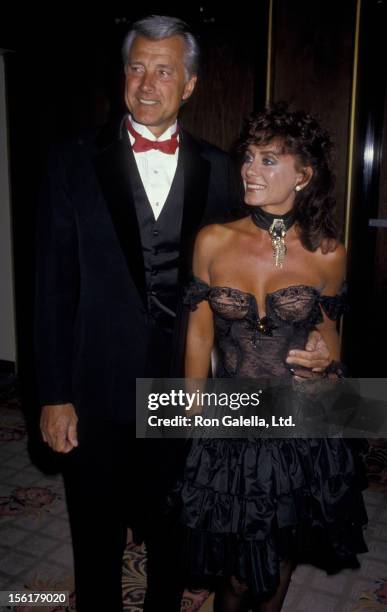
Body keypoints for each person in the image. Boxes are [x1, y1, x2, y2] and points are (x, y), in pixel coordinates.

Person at [35, 15, 331, 612]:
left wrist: (320, 331)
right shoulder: (69, 162)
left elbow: (277, 261)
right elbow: (50, 286)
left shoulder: (227, 171)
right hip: (94, 385)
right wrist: (53, 392)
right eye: (137, 68)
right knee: (94, 541)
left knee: (173, 539)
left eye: (164, 70)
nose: (148, 83)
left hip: (187, 390)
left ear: (190, 85)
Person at [178, 104, 368, 611]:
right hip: (232, 417)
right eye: (249, 158)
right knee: (237, 574)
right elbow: (199, 336)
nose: (249, 169)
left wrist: (325, 360)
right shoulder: (214, 241)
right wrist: (191, 413)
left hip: (300, 421)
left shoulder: (328, 251)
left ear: (303, 175)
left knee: (277, 564)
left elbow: (330, 335)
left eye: (268, 160)